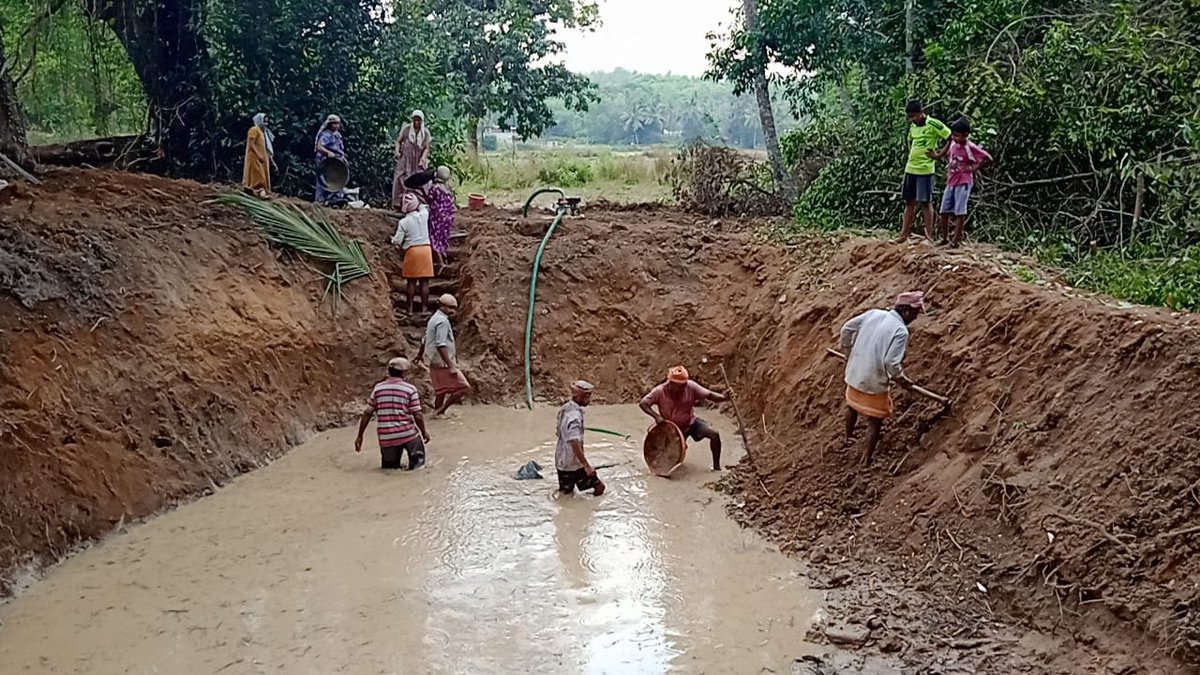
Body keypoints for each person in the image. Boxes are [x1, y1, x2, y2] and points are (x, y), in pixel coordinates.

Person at [840, 292, 925, 466]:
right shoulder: (900, 331)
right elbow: (891, 363)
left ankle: (848, 437)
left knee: (852, 406)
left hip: (855, 373)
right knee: (875, 420)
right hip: (873, 380)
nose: (915, 318)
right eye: (915, 313)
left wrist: (850, 355)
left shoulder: (874, 314)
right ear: (906, 311)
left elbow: (846, 329)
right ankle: (866, 460)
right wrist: (902, 380)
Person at [639, 366, 729, 471]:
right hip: (671, 430)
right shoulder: (659, 391)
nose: (682, 388)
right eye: (679, 386)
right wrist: (657, 416)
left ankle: (716, 467)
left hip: (690, 423)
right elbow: (643, 403)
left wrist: (724, 397)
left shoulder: (690, 386)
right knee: (669, 459)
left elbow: (709, 395)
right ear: (670, 383)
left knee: (714, 434)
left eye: (683, 385)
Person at [354, 357, 430, 470]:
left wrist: (360, 436)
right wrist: (424, 432)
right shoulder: (410, 389)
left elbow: (367, 413)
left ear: (389, 371)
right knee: (418, 466)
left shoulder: (378, 389)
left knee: (389, 470)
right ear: (404, 373)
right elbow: (417, 414)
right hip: (408, 434)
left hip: (387, 437)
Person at [935, 117, 992, 247]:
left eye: (956, 135)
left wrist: (973, 168)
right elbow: (948, 156)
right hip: (951, 181)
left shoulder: (970, 147)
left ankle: (956, 240)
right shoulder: (953, 145)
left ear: (965, 135)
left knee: (960, 212)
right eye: (953, 135)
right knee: (943, 211)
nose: (953, 138)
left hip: (963, 182)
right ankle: (944, 238)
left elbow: (988, 158)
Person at [899, 100, 950, 242]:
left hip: (925, 170)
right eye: (910, 117)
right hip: (911, 168)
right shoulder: (913, 127)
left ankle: (929, 237)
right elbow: (910, 141)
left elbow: (950, 137)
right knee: (909, 202)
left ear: (921, 113)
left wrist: (938, 155)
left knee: (925, 203)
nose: (912, 120)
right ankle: (903, 235)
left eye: (914, 116)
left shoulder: (934, 124)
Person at [416, 294, 471, 417]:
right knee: (464, 387)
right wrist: (451, 365)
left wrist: (419, 355)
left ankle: (437, 415)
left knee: (440, 391)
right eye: (450, 308)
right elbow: (441, 344)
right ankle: (441, 410)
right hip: (442, 362)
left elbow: (425, 339)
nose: (452, 311)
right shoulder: (442, 322)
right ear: (441, 306)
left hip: (433, 360)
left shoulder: (433, 319)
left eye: (454, 308)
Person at [556, 380, 606, 496]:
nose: (589, 399)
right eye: (587, 396)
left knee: (566, 495)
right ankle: (592, 506)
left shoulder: (565, 409)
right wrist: (586, 465)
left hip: (561, 462)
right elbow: (574, 442)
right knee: (599, 487)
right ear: (581, 396)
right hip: (574, 464)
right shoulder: (575, 417)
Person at [391, 192, 434, 314]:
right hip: (426, 250)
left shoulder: (404, 222)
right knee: (424, 281)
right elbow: (424, 206)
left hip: (412, 251)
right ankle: (424, 309)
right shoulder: (424, 215)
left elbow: (397, 241)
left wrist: (392, 240)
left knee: (411, 282)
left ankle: (409, 310)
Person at [393, 110, 432, 210]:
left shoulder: (425, 133)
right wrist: (397, 152)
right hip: (406, 159)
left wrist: (423, 158)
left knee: (420, 180)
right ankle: (399, 204)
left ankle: (418, 203)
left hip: (418, 161)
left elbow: (427, 148)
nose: (416, 122)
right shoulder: (406, 129)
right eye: (415, 120)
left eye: (419, 120)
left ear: (422, 121)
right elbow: (398, 141)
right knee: (400, 178)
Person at [424, 166, 456, 273]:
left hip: (437, 218)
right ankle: (444, 258)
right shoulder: (448, 188)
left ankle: (440, 262)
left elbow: (429, 199)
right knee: (443, 238)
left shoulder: (435, 188)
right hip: (448, 219)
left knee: (434, 239)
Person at [314, 114, 346, 205]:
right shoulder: (326, 135)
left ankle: (335, 199)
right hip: (326, 161)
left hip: (336, 162)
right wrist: (328, 152)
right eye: (334, 124)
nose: (337, 126)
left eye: (338, 124)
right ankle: (320, 200)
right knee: (324, 180)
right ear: (330, 124)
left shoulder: (337, 135)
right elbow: (319, 147)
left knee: (337, 179)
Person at [243, 112, 275, 196]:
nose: (266, 124)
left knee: (262, 177)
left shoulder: (263, 132)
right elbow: (251, 144)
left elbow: (266, 148)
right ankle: (257, 190)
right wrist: (259, 155)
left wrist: (271, 161)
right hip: (255, 158)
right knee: (257, 176)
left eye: (267, 122)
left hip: (262, 160)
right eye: (264, 121)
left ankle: (261, 191)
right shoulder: (254, 130)